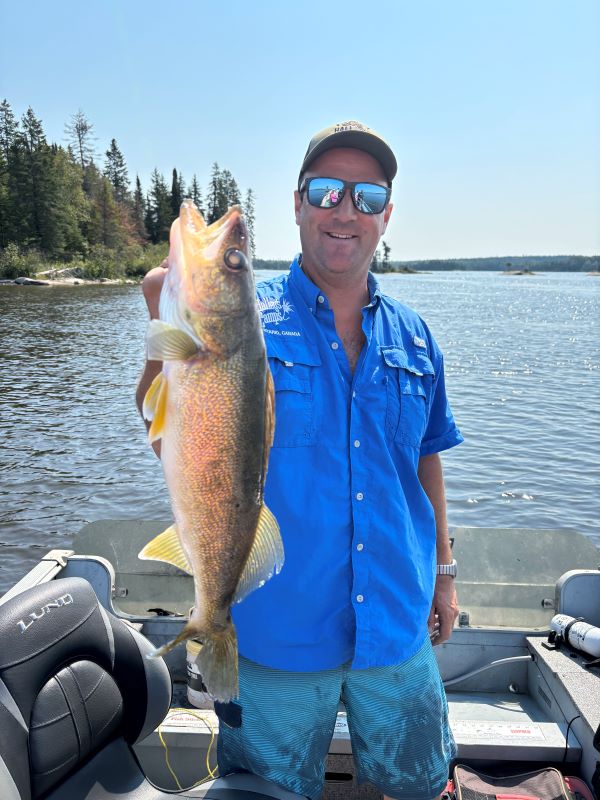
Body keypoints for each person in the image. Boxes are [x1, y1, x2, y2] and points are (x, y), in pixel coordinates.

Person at [136, 120, 463, 800]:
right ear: (297, 205)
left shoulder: (416, 335)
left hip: (397, 629)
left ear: (386, 217)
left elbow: (425, 462)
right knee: (265, 792)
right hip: (274, 635)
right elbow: (167, 434)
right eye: (326, 190)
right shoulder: (243, 322)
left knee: (422, 788)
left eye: (367, 197)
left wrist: (445, 574)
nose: (346, 210)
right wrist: (159, 337)